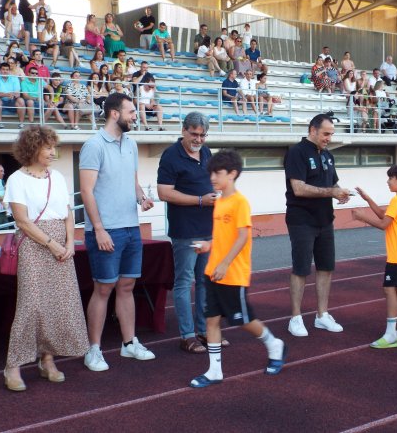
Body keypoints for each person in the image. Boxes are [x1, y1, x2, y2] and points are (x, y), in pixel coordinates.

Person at [189, 149, 287, 388]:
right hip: (214, 272)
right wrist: (208, 245)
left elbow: (243, 237)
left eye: (218, 172)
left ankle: (274, 344)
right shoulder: (220, 201)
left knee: (243, 320)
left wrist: (224, 263)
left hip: (232, 274)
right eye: (211, 172)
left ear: (232, 174)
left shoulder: (240, 202)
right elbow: (223, 236)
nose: (212, 177)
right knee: (211, 321)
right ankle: (214, 371)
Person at [2, 125, 89, 392]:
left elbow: (67, 213)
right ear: (33, 148)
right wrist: (53, 244)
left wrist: (69, 242)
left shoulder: (58, 177)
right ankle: (12, 365)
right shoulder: (17, 179)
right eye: (47, 147)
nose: (53, 152)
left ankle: (47, 360)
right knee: (31, 306)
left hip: (61, 245)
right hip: (34, 245)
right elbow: (22, 222)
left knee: (59, 303)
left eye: (54, 147)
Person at [79, 93, 155, 372]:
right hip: (105, 229)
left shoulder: (132, 144)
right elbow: (86, 191)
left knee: (127, 286)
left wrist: (141, 199)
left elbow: (133, 181)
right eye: (131, 111)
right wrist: (98, 229)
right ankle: (94, 349)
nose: (136, 115)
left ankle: (128, 343)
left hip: (130, 228)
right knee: (103, 288)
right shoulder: (93, 145)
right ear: (114, 113)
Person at [157, 112, 219, 354]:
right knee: (184, 282)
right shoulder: (171, 155)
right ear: (183, 130)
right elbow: (164, 193)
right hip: (185, 230)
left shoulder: (205, 152)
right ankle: (187, 335)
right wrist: (201, 200)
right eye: (194, 134)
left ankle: (203, 331)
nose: (199, 139)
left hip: (208, 228)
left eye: (203, 135)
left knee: (205, 281)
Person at [284, 114, 351, 337]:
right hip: (301, 219)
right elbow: (299, 188)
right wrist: (331, 192)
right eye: (325, 133)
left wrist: (340, 192)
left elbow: (333, 183)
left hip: (325, 219)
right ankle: (295, 318)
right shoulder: (296, 152)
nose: (329, 138)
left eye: (331, 134)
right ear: (312, 130)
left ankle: (322, 315)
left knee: (325, 268)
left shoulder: (329, 156)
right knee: (301, 268)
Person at [352, 165, 397, 348]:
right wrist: (368, 199)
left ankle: (390, 335)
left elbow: (383, 224)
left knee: (389, 290)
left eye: (390, 178)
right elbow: (384, 214)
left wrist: (362, 217)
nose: (388, 181)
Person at [0, 62, 26, 129]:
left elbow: (17, 93)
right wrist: (6, 94)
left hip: (12, 100)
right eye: (3, 69)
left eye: (7, 70)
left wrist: (12, 95)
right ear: (0, 70)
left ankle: (21, 124)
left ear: (9, 70)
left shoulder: (14, 78)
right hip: (1, 100)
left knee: (21, 100)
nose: (5, 71)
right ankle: (0, 123)